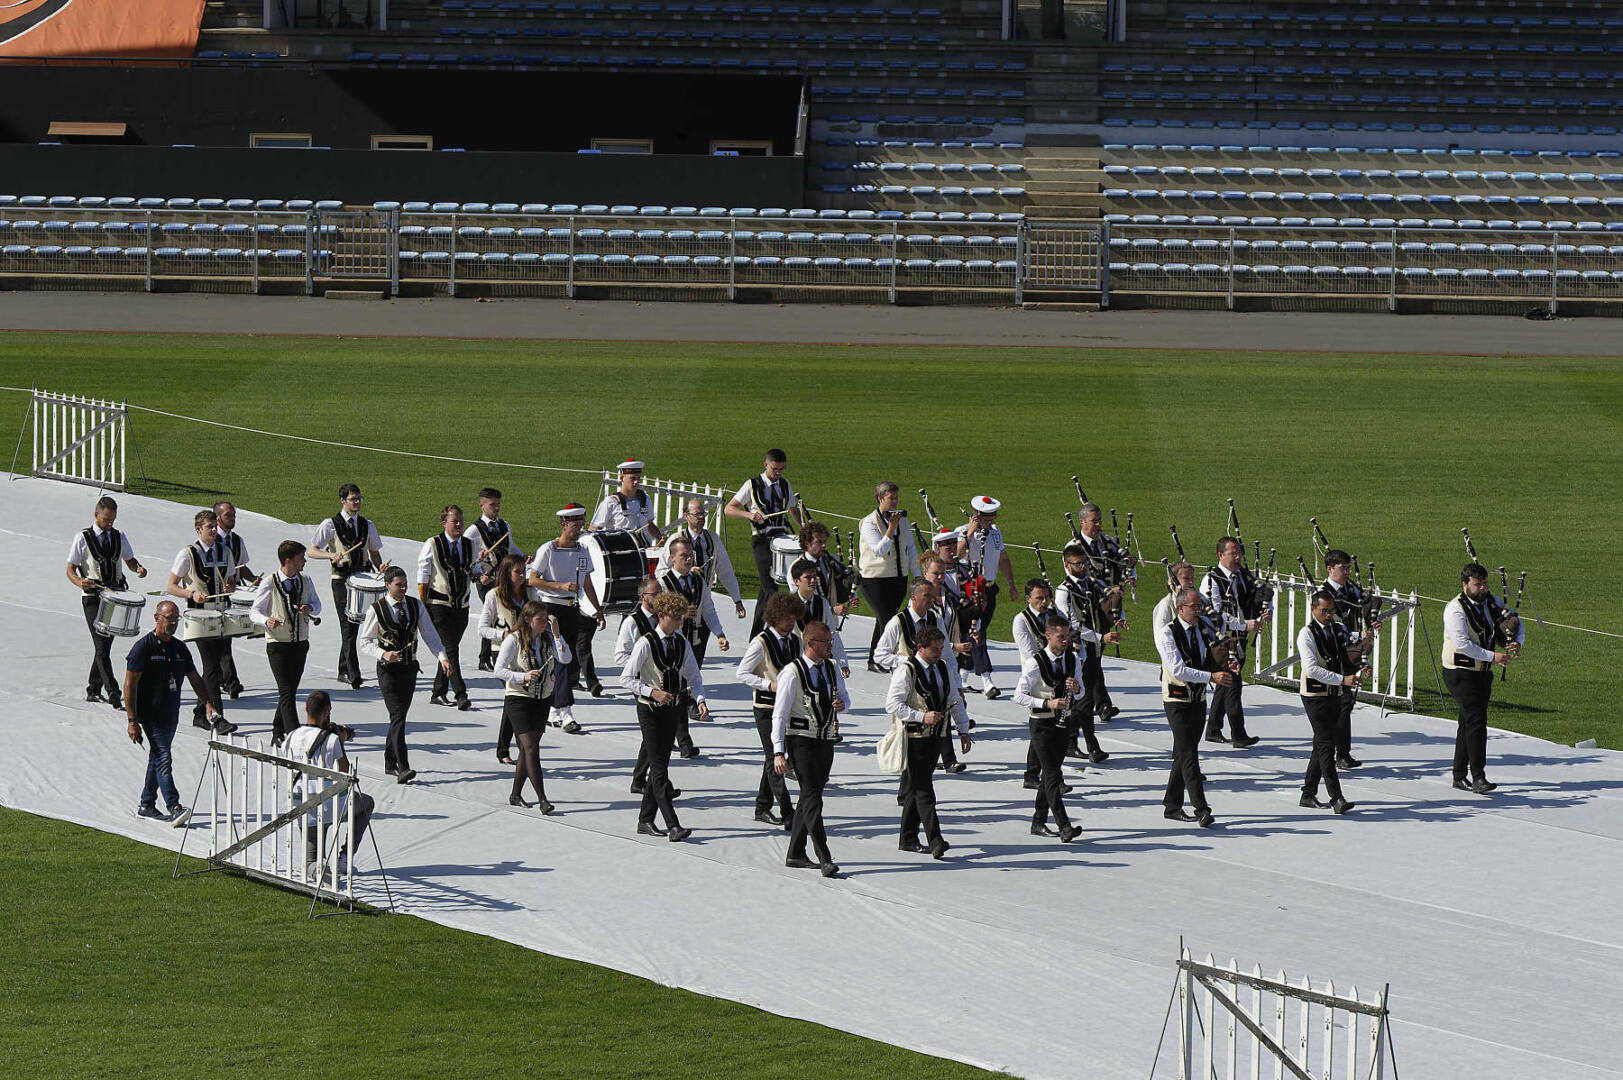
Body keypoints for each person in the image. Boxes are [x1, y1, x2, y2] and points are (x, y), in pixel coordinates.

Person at [620, 591, 710, 842]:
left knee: (660, 765)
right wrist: (652, 692)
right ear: (661, 616)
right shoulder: (645, 643)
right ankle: (673, 825)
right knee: (659, 770)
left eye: (681, 618)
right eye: (675, 618)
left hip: (673, 709)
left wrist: (700, 700)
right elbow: (626, 678)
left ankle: (645, 820)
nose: (680, 622)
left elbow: (694, 676)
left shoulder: (681, 642)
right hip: (649, 710)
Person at [122, 601, 221, 824]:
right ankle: (174, 805)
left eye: (176, 619)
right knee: (164, 757)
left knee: (157, 757)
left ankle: (146, 804)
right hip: (150, 715)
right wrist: (132, 720)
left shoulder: (179, 648)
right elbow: (129, 685)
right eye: (169, 619)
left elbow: (194, 677)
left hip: (171, 714)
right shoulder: (143, 648)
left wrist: (207, 702)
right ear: (157, 617)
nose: (173, 623)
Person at [358, 567, 451, 784]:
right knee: (398, 716)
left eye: (405, 584)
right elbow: (364, 642)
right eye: (399, 584)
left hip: (409, 669)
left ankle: (390, 761)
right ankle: (403, 767)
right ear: (387, 585)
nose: (403, 588)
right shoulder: (376, 609)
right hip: (388, 672)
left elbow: (429, 634)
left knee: (398, 718)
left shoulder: (414, 605)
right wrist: (383, 653)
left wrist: (443, 657)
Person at [885, 626, 971, 859]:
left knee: (916, 787)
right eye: (934, 649)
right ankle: (936, 839)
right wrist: (922, 716)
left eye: (941, 648)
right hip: (914, 739)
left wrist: (963, 730)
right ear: (919, 647)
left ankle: (908, 838)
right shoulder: (906, 671)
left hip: (936, 737)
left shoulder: (942, 667)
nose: (939, 652)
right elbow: (892, 705)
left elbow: (954, 699)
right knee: (924, 790)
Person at [771, 620, 849, 877]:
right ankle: (824, 856)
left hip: (825, 740)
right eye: (827, 643)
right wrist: (778, 750)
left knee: (809, 797)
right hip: (800, 740)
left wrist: (841, 705)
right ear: (811, 643)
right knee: (813, 797)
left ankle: (795, 852)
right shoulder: (792, 672)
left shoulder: (831, 668)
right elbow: (779, 714)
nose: (830, 647)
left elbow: (846, 698)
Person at [1442, 562, 1522, 795]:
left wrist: (1515, 642)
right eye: (1477, 585)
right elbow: (1462, 645)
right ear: (1464, 584)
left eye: (1485, 584)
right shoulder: (1454, 609)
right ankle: (1478, 776)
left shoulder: (1492, 601)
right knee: (1476, 720)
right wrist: (1493, 656)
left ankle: (1459, 775)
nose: (1482, 588)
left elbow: (1515, 621)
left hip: (1482, 672)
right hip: (1459, 671)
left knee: (1467, 721)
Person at [1155, 588, 1231, 828]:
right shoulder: (1167, 634)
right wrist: (1212, 676)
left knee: (1183, 751)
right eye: (1194, 607)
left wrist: (1225, 664)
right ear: (1180, 609)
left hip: (1197, 700)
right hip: (1177, 700)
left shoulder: (1201, 630)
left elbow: (1204, 660)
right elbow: (1178, 670)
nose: (1199, 610)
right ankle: (1202, 808)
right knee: (1189, 754)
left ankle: (1172, 804)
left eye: (1199, 606)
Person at [527, 503, 605, 732]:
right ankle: (566, 711)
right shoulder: (548, 550)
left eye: (581, 524)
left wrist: (597, 608)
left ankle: (554, 710)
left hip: (573, 609)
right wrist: (559, 585)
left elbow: (586, 581)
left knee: (566, 660)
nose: (579, 529)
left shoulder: (582, 550)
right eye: (574, 525)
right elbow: (532, 579)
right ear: (563, 525)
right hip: (550, 610)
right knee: (562, 658)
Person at [66, 495, 147, 710]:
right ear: (96, 515)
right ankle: (113, 692)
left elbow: (129, 560)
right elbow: (70, 569)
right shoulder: (82, 538)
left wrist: (138, 568)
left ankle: (93, 688)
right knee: (101, 645)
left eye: (112, 520)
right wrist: (79, 582)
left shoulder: (119, 537)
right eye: (105, 520)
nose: (109, 524)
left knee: (104, 646)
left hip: (115, 597)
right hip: (92, 597)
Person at [284, 690, 374, 882]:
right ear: (326, 713)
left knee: (311, 859)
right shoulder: (332, 740)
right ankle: (344, 858)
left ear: (306, 709)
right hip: (331, 806)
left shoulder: (291, 736)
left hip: (303, 804)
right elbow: (347, 773)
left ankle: (317, 869)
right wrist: (341, 742)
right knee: (366, 803)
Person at [1011, 613, 1086, 843]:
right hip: (1042, 724)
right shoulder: (1035, 662)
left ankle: (1038, 821)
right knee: (1053, 774)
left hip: (1063, 723)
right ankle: (1064, 826)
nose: (1065, 641)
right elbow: (1018, 696)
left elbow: (1082, 692)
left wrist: (1076, 689)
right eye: (1060, 637)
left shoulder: (1072, 660)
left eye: (1067, 636)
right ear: (1048, 635)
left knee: (1050, 774)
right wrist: (1046, 703)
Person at [494, 600, 573, 814]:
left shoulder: (547, 638)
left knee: (526, 750)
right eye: (540, 619)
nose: (544, 623)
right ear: (528, 620)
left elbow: (565, 658)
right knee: (530, 748)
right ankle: (542, 799)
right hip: (518, 698)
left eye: (546, 619)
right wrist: (523, 676)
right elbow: (498, 670)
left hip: (541, 699)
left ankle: (515, 794)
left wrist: (557, 635)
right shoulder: (514, 639)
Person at [736, 592, 805, 828]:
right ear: (775, 616)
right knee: (774, 757)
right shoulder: (760, 642)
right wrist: (768, 684)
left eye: (794, 616)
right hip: (765, 707)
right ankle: (787, 811)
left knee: (776, 757)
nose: (792, 620)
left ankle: (762, 805)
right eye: (787, 616)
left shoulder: (796, 641)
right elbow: (742, 673)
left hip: (788, 708)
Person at [165, 508, 237, 735]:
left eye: (216, 526)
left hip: (222, 614)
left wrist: (229, 587)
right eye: (210, 527)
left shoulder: (225, 551)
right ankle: (217, 717)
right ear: (199, 530)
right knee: (212, 666)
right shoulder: (187, 554)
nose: (215, 530)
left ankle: (200, 713)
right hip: (200, 617)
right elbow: (171, 586)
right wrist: (191, 594)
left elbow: (232, 580)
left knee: (214, 666)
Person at [307, 483, 383, 690]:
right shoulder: (329, 524)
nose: (357, 502)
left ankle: (343, 668)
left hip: (364, 578)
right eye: (353, 499)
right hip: (341, 580)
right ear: (342, 500)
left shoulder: (368, 525)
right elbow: (312, 551)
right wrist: (330, 555)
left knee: (355, 625)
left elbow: (374, 553)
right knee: (347, 625)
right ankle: (353, 672)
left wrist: (382, 568)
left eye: (359, 498)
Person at [1199, 536, 1271, 748]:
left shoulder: (1242, 575)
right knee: (1233, 686)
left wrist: (1266, 612)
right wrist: (1244, 625)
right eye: (1233, 553)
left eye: (1239, 553)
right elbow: (1215, 614)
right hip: (1221, 642)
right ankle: (1238, 734)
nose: (1238, 557)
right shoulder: (1211, 580)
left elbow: (1261, 592)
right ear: (1220, 555)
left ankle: (1212, 729)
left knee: (1225, 684)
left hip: (1239, 640)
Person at [660, 536, 731, 750]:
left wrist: (719, 633)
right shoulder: (665, 583)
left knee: (686, 688)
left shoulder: (699, 581)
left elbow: (708, 608)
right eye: (683, 555)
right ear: (672, 558)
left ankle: (674, 737)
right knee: (677, 690)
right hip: (672, 644)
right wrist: (681, 615)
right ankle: (683, 741)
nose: (689, 559)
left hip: (695, 640)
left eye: (691, 555)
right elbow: (659, 617)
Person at [250, 539, 323, 744]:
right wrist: (266, 620)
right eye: (301, 558)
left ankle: (277, 731)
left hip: (300, 642)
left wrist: (311, 609)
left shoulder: (305, 580)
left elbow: (317, 604)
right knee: (285, 690)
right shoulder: (269, 582)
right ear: (288, 561)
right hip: (277, 644)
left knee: (289, 691)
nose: (304, 562)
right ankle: (294, 735)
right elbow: (254, 611)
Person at [617, 579, 684, 796]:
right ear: (643, 597)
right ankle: (658, 783)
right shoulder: (632, 622)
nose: (658, 597)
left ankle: (647, 780)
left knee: (653, 737)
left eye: (660, 593)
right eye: (654, 594)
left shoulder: (663, 620)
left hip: (662, 685)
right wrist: (641, 666)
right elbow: (620, 656)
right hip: (643, 684)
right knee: (654, 735)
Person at [725, 448, 802, 638]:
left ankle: (757, 635)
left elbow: (792, 508)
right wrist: (750, 514)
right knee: (771, 588)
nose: (778, 474)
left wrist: (802, 526)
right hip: (761, 539)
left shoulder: (784, 484)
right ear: (765, 465)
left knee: (767, 589)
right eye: (775, 469)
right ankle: (773, 632)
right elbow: (729, 508)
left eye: (782, 470)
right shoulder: (751, 485)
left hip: (782, 538)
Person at [1297, 593, 1360, 815]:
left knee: (1322, 743)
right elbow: (1311, 669)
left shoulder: (1336, 628)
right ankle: (1336, 798)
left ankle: (1308, 793)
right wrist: (1343, 679)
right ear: (1313, 609)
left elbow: (1351, 650)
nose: (1328, 614)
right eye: (1324, 610)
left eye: (1331, 610)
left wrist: (1363, 665)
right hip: (1314, 696)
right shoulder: (1306, 634)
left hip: (1333, 693)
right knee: (1326, 745)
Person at [953, 495, 1017, 698]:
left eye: (994, 515)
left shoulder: (996, 532)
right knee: (978, 633)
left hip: (990, 588)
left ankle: (962, 676)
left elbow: (1002, 558)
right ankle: (987, 680)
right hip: (972, 590)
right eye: (988, 516)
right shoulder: (961, 532)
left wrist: (1011, 583)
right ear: (977, 515)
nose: (992, 519)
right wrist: (970, 533)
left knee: (977, 631)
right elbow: (957, 555)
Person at [416, 505, 476, 711]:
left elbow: (473, 570)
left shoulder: (469, 544)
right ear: (444, 523)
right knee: (450, 651)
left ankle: (438, 691)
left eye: (461, 520)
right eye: (454, 521)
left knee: (450, 650)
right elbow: (423, 574)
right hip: (438, 606)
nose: (459, 524)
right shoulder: (432, 544)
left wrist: (480, 575)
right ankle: (461, 694)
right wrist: (422, 604)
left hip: (462, 606)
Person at [1322, 550, 1377, 769]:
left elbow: (1363, 608)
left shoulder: (1350, 589)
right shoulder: (1323, 594)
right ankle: (1338, 753)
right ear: (1330, 569)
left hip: (1350, 653)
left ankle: (1341, 752)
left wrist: (1372, 620)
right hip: (1332, 654)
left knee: (1345, 703)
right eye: (1342, 568)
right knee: (1340, 704)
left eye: (1347, 568)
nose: (1346, 572)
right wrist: (1357, 635)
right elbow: (1333, 624)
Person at [857, 482, 919, 670]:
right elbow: (879, 550)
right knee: (886, 618)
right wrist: (891, 528)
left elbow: (911, 548)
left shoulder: (903, 520)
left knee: (885, 617)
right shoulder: (869, 522)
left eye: (896, 498)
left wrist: (916, 575)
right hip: (873, 579)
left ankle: (874, 659)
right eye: (891, 498)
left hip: (898, 578)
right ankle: (879, 658)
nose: (895, 502)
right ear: (880, 498)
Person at [657, 497, 747, 624]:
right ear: (686, 516)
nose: (701, 517)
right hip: (679, 607)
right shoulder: (676, 539)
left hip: (703, 606)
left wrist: (737, 600)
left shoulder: (713, 539)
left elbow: (725, 570)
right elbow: (660, 572)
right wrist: (685, 571)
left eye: (703, 514)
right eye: (697, 514)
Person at [479, 553, 534, 764]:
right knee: (517, 697)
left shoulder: (530, 593)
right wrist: (502, 635)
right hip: (503, 652)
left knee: (513, 699)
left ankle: (504, 749)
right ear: (506, 573)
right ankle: (523, 747)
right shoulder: (494, 596)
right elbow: (482, 628)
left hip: (527, 653)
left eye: (524, 571)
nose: (522, 576)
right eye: (517, 572)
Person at [465, 487, 525, 672]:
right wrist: (478, 574)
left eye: (498, 504)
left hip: (505, 579)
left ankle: (494, 654)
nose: (496, 508)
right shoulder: (473, 531)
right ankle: (485, 657)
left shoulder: (504, 526)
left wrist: (523, 557)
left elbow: (511, 548)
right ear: (482, 506)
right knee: (490, 616)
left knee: (500, 615)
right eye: (492, 505)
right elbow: (468, 557)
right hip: (487, 581)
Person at [213, 500, 254, 699]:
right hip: (215, 596)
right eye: (229, 515)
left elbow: (241, 567)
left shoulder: (237, 540)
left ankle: (223, 680)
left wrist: (254, 579)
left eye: (234, 515)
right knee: (223, 640)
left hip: (232, 595)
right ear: (218, 517)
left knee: (225, 639)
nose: (233, 518)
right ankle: (231, 681)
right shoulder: (211, 541)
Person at [787, 559, 851, 675]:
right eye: (808, 577)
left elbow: (832, 634)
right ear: (796, 581)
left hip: (819, 662)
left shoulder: (823, 603)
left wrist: (842, 662)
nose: (813, 581)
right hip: (794, 664)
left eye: (814, 577)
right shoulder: (788, 605)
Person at [798, 521, 857, 620]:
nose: (824, 545)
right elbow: (800, 605)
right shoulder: (797, 568)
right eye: (819, 542)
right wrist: (831, 610)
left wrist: (852, 595)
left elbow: (845, 578)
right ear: (807, 543)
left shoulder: (831, 560)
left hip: (831, 621)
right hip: (810, 624)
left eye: (825, 541)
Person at [1152, 561, 1197, 629]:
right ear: (1173, 580)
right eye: (1186, 578)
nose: (1191, 582)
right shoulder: (1165, 606)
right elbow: (1160, 636)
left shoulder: (1199, 599)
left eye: (1192, 577)